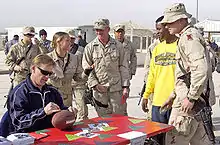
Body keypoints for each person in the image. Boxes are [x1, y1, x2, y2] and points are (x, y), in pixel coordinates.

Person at [161, 3, 212, 145]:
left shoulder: (188, 37)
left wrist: (190, 97)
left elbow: (200, 69)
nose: (167, 26)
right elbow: (185, 73)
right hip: (194, 102)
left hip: (188, 105)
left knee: (174, 139)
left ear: (181, 20)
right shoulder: (187, 36)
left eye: (170, 22)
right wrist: (173, 94)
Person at [6, 54, 77, 134]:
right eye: (44, 72)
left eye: (49, 74)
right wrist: (43, 112)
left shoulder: (52, 91)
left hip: (51, 134)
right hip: (27, 137)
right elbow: (18, 122)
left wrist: (69, 112)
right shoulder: (19, 93)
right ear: (33, 69)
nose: (47, 77)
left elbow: (60, 111)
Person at [141, 15, 178, 145]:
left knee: (174, 139)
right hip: (158, 103)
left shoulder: (180, 46)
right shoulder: (157, 49)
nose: (157, 32)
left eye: (159, 29)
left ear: (167, 28)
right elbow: (152, 74)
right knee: (158, 139)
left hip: (175, 103)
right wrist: (146, 95)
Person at [82, 18, 130, 117]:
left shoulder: (118, 46)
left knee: (119, 118)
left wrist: (125, 86)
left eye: (101, 29)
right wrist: (95, 85)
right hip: (100, 91)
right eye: (96, 30)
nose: (98, 32)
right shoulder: (90, 47)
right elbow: (87, 68)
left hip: (116, 90)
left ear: (108, 29)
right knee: (104, 121)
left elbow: (123, 66)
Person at [47, 32, 92, 107]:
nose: (70, 42)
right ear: (58, 42)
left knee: (67, 117)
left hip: (66, 98)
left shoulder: (74, 58)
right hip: (51, 97)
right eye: (67, 40)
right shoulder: (47, 59)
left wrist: (86, 72)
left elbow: (78, 78)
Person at [142, 17, 164, 121]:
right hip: (154, 89)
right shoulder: (153, 47)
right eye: (156, 29)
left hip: (170, 91)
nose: (157, 32)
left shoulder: (178, 44)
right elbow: (148, 69)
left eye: (160, 29)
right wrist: (148, 90)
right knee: (152, 118)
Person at [113, 24, 137, 115]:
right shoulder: (112, 44)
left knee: (123, 99)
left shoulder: (129, 45)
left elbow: (133, 58)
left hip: (125, 75)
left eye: (121, 32)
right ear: (114, 33)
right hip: (114, 75)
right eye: (118, 32)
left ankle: (123, 116)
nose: (119, 34)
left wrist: (132, 72)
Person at [66, 29, 89, 121]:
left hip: (79, 81)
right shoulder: (61, 51)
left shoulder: (81, 50)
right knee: (66, 107)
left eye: (72, 38)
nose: (70, 41)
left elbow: (86, 63)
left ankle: (83, 123)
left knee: (81, 106)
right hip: (66, 82)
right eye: (68, 38)